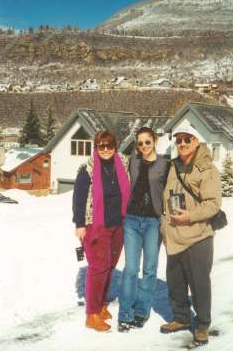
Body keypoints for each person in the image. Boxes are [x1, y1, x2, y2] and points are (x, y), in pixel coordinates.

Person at [160, 122, 222, 347]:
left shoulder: (207, 169)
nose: (183, 144)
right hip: (174, 234)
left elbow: (213, 205)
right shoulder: (173, 165)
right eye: (179, 140)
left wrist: (189, 216)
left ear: (197, 142)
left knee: (199, 283)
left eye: (188, 139)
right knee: (175, 281)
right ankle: (181, 318)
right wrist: (163, 225)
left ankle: (203, 324)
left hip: (198, 235)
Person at [72, 130, 130, 332]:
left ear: (116, 146)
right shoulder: (86, 169)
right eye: (101, 146)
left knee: (109, 266)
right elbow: (78, 200)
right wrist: (79, 225)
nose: (105, 149)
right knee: (98, 268)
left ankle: (102, 304)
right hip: (95, 225)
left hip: (118, 224)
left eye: (109, 145)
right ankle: (92, 314)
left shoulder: (123, 163)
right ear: (95, 147)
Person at [118, 126, 170, 332]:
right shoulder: (132, 161)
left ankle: (141, 311)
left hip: (152, 222)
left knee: (149, 269)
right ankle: (125, 314)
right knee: (130, 269)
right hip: (131, 220)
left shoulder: (165, 164)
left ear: (154, 141)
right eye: (139, 143)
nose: (143, 146)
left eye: (147, 142)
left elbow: (172, 190)